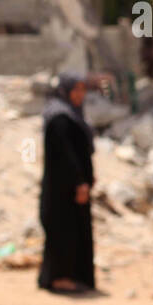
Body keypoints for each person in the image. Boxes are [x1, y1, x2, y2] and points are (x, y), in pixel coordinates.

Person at [37, 72, 97, 293]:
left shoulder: (73, 115)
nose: (81, 94)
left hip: (74, 187)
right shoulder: (60, 118)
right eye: (77, 89)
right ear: (66, 90)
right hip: (63, 190)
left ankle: (73, 276)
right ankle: (59, 277)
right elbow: (66, 155)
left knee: (76, 229)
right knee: (64, 231)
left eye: (83, 89)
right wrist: (80, 182)